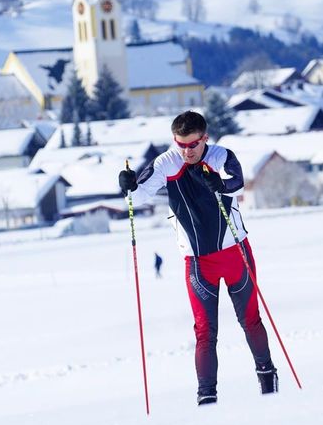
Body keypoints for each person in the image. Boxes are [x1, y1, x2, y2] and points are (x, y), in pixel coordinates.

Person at [119, 110, 278, 406]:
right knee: (205, 331)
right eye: (181, 145)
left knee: (250, 320)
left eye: (193, 145)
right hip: (198, 262)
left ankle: (267, 377)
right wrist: (128, 184)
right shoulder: (166, 162)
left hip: (235, 254)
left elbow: (238, 181)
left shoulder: (219, 155)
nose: (187, 151)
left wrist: (221, 185)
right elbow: (137, 198)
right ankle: (207, 397)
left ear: (205, 138)